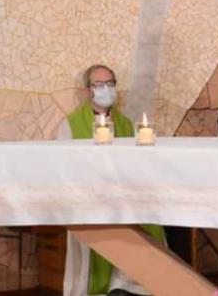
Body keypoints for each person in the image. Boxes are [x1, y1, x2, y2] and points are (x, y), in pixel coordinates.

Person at [56, 64, 165, 296]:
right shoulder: (70, 125)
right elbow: (64, 168)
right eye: (99, 84)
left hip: (124, 201)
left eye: (110, 83)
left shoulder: (126, 124)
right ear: (88, 90)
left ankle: (129, 287)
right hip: (90, 202)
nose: (105, 89)